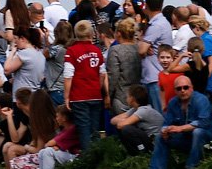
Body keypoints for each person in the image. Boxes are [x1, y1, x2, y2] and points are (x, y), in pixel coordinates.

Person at [149, 76, 212, 169]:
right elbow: (166, 123)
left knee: (198, 132)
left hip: (208, 140)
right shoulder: (173, 102)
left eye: (186, 87)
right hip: (186, 139)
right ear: (175, 90)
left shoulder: (201, 100)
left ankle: (191, 168)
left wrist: (180, 128)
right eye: (179, 88)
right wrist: (165, 131)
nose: (183, 91)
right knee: (160, 136)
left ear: (192, 88)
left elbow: (204, 123)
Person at [8, 104, 80, 169]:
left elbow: (48, 144)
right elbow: (54, 144)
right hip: (66, 155)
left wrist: (53, 146)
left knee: (47, 152)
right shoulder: (65, 130)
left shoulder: (71, 129)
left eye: (58, 116)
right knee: (42, 152)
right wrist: (55, 146)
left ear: (64, 118)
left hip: (74, 157)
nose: (56, 118)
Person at [65, 20, 106, 152]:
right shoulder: (97, 51)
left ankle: (87, 159)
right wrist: (97, 88)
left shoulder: (71, 51)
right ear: (91, 34)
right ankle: (98, 158)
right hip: (95, 94)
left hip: (78, 96)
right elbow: (102, 74)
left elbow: (68, 75)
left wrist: (67, 96)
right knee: (95, 129)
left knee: (83, 129)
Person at [138, 0, 170, 113]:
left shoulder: (156, 26)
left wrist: (142, 44)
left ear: (146, 6)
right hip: (157, 75)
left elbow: (141, 50)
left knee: (158, 115)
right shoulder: (164, 23)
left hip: (154, 77)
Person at [111, 84, 164, 155]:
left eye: (128, 96)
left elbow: (120, 125)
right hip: (147, 138)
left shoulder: (143, 111)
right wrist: (127, 120)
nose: (126, 99)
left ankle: (142, 152)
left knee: (127, 129)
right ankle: (133, 153)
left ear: (132, 99)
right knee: (124, 127)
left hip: (156, 142)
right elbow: (113, 120)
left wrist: (127, 121)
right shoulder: (135, 109)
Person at [106, 17, 140, 114]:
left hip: (121, 98)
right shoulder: (138, 49)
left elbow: (113, 76)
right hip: (138, 97)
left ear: (119, 33)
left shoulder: (115, 50)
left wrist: (108, 95)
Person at [188, 15, 212, 98]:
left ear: (196, 28)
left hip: (209, 84)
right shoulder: (207, 38)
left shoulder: (206, 40)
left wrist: (203, 80)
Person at [5, 27, 45, 94]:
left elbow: (7, 70)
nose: (15, 42)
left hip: (22, 95)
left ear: (22, 39)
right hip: (34, 94)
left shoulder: (24, 54)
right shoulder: (40, 54)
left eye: (15, 38)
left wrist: (12, 52)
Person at [44, 21, 72, 107]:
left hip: (55, 88)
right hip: (68, 88)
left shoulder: (56, 49)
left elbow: (46, 54)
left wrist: (44, 39)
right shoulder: (71, 48)